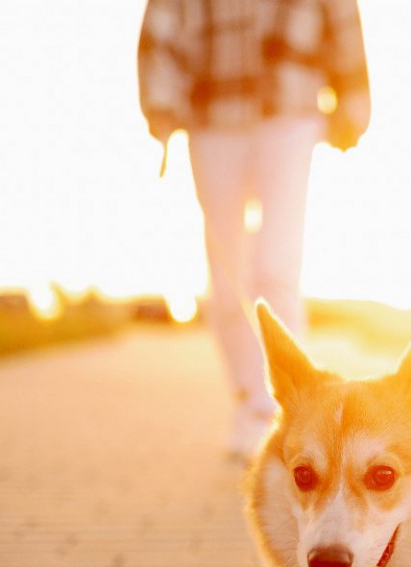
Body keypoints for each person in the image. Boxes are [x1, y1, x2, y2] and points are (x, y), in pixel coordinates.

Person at [138, 0, 370, 457]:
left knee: (276, 268)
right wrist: (160, 103)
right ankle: (250, 402)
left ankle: (288, 409)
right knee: (226, 277)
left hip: (291, 108)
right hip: (211, 113)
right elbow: (162, 21)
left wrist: (354, 101)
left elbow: (341, 15)